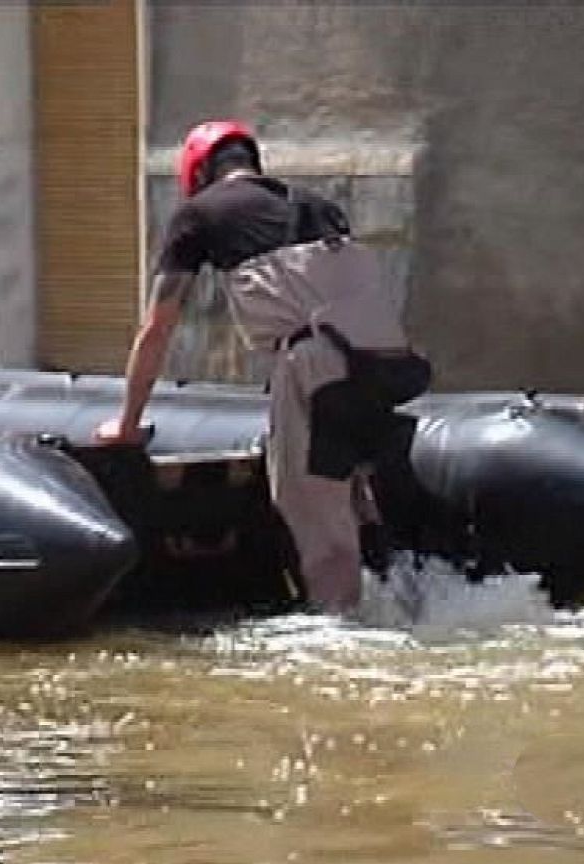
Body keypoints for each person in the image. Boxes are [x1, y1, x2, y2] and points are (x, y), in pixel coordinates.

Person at [94, 120, 429, 615]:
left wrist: (126, 424)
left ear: (199, 173)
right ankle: (405, 601)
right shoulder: (318, 207)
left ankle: (341, 625)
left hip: (316, 365)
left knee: (308, 505)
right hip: (383, 362)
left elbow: (158, 327)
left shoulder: (199, 215)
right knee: (356, 492)